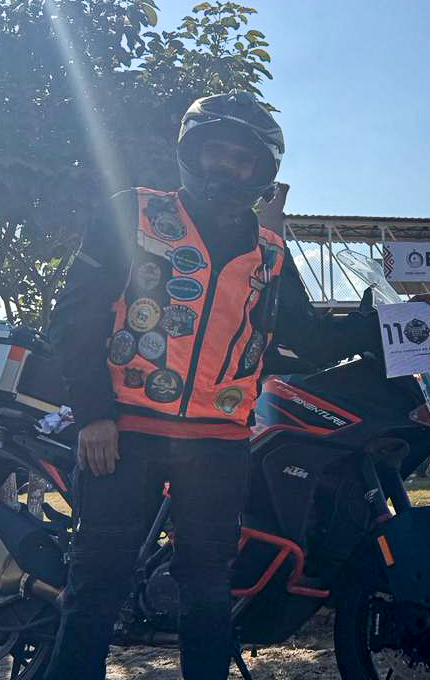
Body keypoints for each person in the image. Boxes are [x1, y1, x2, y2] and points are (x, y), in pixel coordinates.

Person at [45, 91, 378, 680]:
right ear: (191, 154)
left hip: (219, 442)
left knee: (207, 589)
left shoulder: (269, 254)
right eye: (216, 153)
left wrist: (384, 325)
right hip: (124, 430)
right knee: (97, 581)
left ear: (261, 172)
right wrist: (94, 413)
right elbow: (77, 315)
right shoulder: (136, 213)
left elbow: (306, 339)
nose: (227, 166)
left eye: (243, 159)